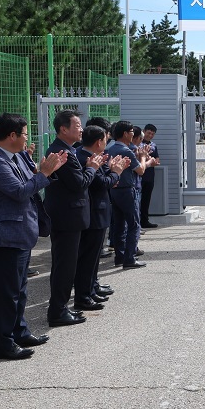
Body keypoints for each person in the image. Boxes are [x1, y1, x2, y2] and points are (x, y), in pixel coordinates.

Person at [0, 113, 67, 360]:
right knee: (8, 293)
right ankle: (4, 343)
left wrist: (43, 170)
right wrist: (44, 174)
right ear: (12, 135)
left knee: (20, 289)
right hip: (4, 236)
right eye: (25, 133)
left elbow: (31, 182)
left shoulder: (16, 156)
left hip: (20, 233)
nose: (27, 138)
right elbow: (19, 192)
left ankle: (20, 331)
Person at [44, 110, 103, 323]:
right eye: (77, 126)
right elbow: (79, 184)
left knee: (66, 265)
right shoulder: (63, 153)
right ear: (63, 129)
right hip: (66, 217)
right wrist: (93, 168)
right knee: (64, 266)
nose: (81, 129)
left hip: (69, 216)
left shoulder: (66, 149)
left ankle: (61, 308)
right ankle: (58, 311)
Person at [75, 125, 130, 308]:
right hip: (93, 214)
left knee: (93, 257)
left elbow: (103, 179)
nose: (107, 142)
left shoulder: (93, 157)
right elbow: (101, 183)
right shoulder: (85, 158)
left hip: (98, 212)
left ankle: (91, 289)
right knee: (88, 258)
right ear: (99, 142)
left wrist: (110, 170)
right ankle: (84, 295)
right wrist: (116, 172)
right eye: (105, 139)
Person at [109, 120, 155, 269]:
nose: (132, 135)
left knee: (119, 225)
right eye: (131, 132)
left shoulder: (110, 147)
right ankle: (130, 258)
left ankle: (120, 256)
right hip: (127, 189)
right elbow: (140, 170)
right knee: (134, 225)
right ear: (124, 134)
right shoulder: (126, 150)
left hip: (114, 189)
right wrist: (143, 158)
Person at [139, 124, 160, 228]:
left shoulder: (153, 145)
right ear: (144, 131)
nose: (150, 135)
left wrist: (154, 162)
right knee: (136, 199)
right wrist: (146, 160)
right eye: (148, 133)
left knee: (146, 199)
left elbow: (157, 158)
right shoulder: (137, 144)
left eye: (152, 134)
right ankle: (136, 222)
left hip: (150, 176)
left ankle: (144, 220)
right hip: (139, 175)